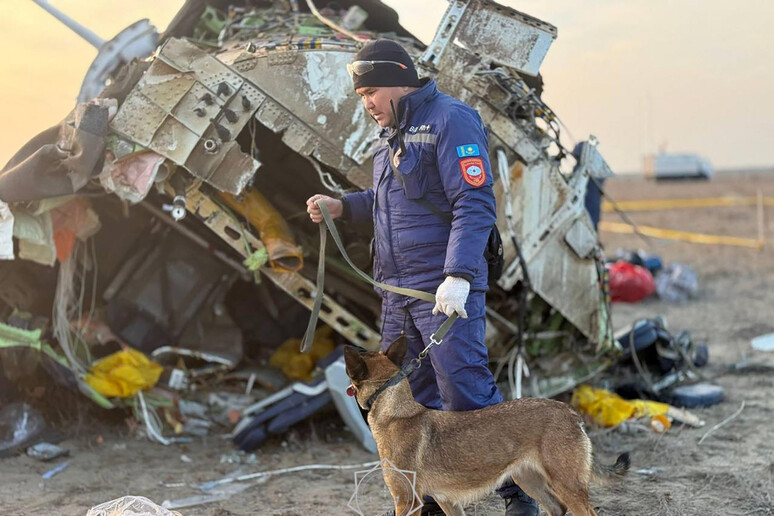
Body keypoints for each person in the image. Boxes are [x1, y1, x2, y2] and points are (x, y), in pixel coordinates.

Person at [306, 40, 538, 516]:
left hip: (441, 291)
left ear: (399, 78)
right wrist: (342, 206)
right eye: (360, 95)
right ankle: (427, 500)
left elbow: (473, 202)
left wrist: (456, 275)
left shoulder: (452, 120)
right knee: (412, 398)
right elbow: (387, 202)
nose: (367, 103)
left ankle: (520, 495)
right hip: (397, 295)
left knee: (465, 390)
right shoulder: (390, 135)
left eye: (371, 91)